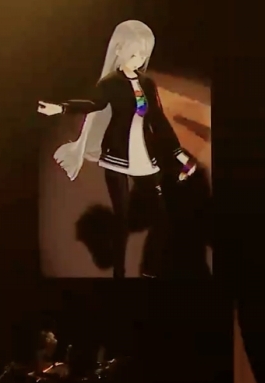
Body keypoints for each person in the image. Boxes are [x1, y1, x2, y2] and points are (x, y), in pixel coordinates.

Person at [37, 20, 197, 278]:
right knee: (121, 218)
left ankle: (149, 271)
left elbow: (158, 120)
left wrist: (178, 154)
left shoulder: (147, 83)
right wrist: (62, 108)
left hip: (144, 156)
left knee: (162, 217)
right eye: (134, 54)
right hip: (117, 157)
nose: (139, 59)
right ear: (120, 49)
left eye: (143, 54)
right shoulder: (110, 83)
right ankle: (119, 274)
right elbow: (93, 103)